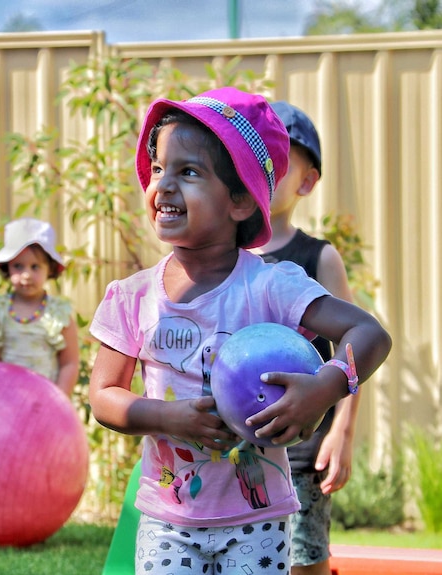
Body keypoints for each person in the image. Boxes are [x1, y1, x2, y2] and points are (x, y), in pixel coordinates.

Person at [87, 87, 391, 574]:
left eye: (188, 172)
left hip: (258, 519)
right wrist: (167, 418)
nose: (163, 185)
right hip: (169, 520)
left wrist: (326, 387)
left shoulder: (271, 285)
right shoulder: (133, 297)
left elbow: (368, 333)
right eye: (160, 168)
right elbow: (102, 396)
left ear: (242, 201)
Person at [253, 100, 359, 575]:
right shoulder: (220, 255)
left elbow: (353, 348)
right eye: (253, 158)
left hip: (302, 444)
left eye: (277, 161)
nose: (261, 169)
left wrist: (342, 431)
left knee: (304, 555)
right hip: (237, 443)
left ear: (307, 181)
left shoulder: (320, 257)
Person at [0, 218, 80, 397]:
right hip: (6, 399)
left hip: (44, 402)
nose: (26, 275)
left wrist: (59, 399)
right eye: (18, 266)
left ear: (49, 269)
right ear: (7, 267)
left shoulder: (58, 314)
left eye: (35, 267)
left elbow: (69, 362)